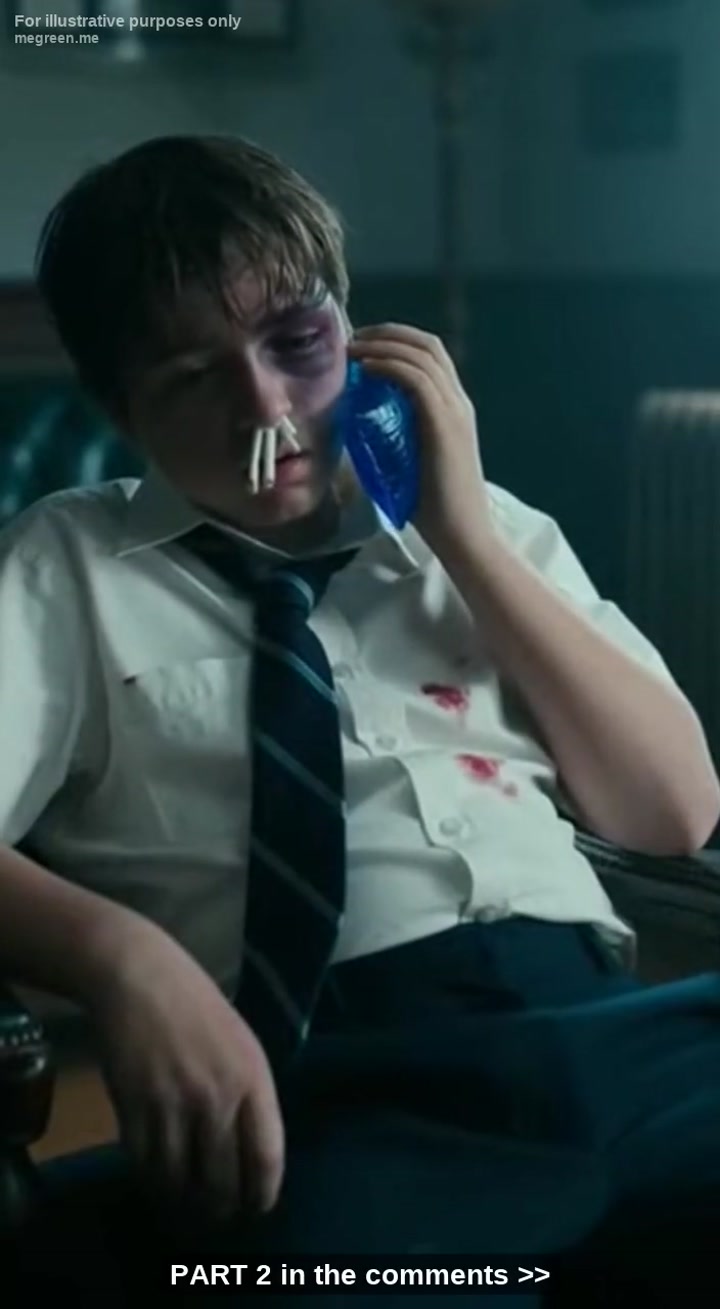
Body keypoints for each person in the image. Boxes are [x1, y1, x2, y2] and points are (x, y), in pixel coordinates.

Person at [2, 134, 720, 1302]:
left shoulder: (484, 527)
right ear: (119, 407)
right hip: (352, 1077)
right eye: (192, 377)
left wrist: (462, 534)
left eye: (297, 344)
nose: (267, 406)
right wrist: (121, 959)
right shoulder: (65, 567)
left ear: (356, 333)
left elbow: (672, 814)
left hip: (619, 1036)